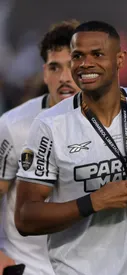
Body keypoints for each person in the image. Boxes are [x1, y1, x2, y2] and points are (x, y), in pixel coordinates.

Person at [14, 21, 127, 275]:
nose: (86, 63)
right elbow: (25, 217)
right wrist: (93, 201)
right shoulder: (50, 125)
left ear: (120, 59)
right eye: (78, 56)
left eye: (97, 54)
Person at [0, 20, 80, 275]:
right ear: (45, 73)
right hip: (26, 266)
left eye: (71, 66)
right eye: (55, 68)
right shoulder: (14, 125)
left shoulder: (108, 125)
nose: (64, 78)